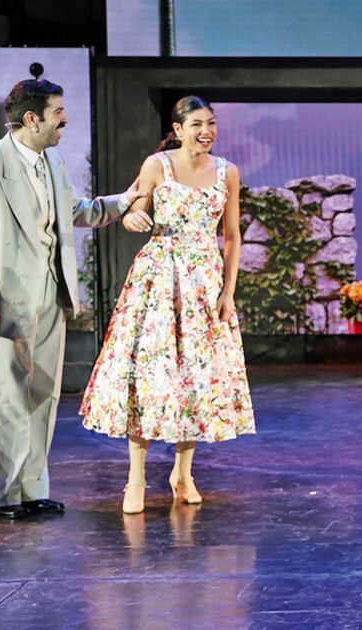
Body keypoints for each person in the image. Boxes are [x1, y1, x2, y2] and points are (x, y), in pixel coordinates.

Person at [0, 78, 140, 520]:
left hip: (52, 295)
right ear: (32, 119)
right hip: (3, 300)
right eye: (58, 113)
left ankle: (32, 488)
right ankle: (2, 495)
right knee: (6, 396)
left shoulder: (52, 161)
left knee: (43, 394)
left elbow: (73, 211)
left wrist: (122, 202)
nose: (64, 120)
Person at [80, 96, 256, 515]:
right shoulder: (157, 165)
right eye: (196, 124)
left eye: (210, 123)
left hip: (204, 283)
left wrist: (228, 292)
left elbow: (232, 236)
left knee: (196, 375)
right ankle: (135, 478)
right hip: (159, 279)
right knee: (149, 374)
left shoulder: (227, 172)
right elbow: (135, 209)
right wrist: (132, 218)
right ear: (178, 130)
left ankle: (183, 473)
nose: (206, 131)